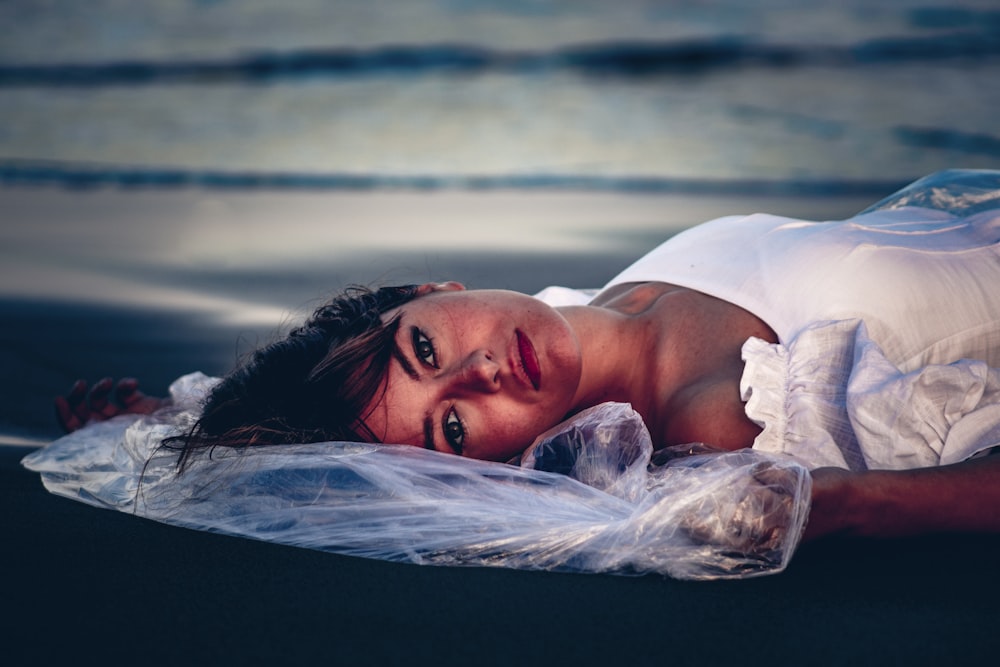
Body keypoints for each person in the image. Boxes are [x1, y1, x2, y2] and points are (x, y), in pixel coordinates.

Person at [56, 171, 1000, 543]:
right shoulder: (743, 417)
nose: (480, 375)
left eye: (427, 345)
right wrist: (825, 509)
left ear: (431, 287)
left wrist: (174, 423)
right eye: (456, 427)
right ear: (499, 466)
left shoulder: (582, 312)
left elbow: (328, 410)